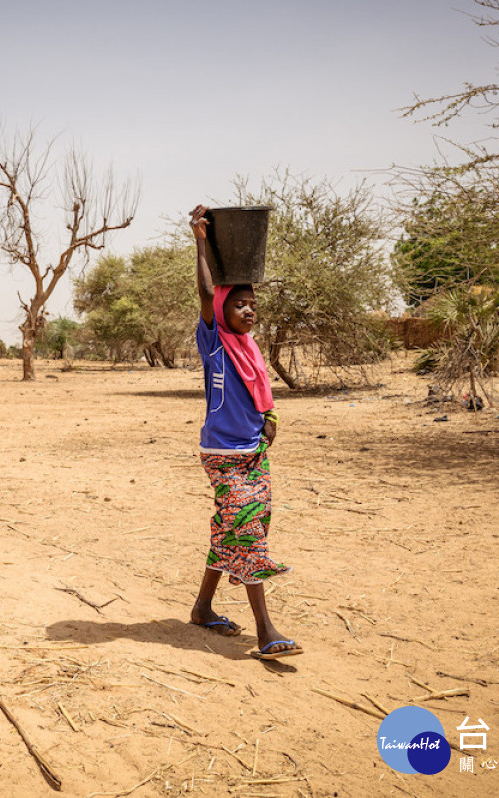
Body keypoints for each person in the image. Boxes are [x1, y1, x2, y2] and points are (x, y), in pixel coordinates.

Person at [188, 204, 302, 660]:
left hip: (253, 452)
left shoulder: (251, 350)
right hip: (222, 454)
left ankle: (202, 608)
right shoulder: (215, 341)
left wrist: (270, 418)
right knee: (247, 530)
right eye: (239, 302)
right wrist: (200, 240)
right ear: (221, 308)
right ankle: (266, 631)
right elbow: (202, 291)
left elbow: (262, 393)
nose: (249, 309)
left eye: (253, 303)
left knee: (229, 530)